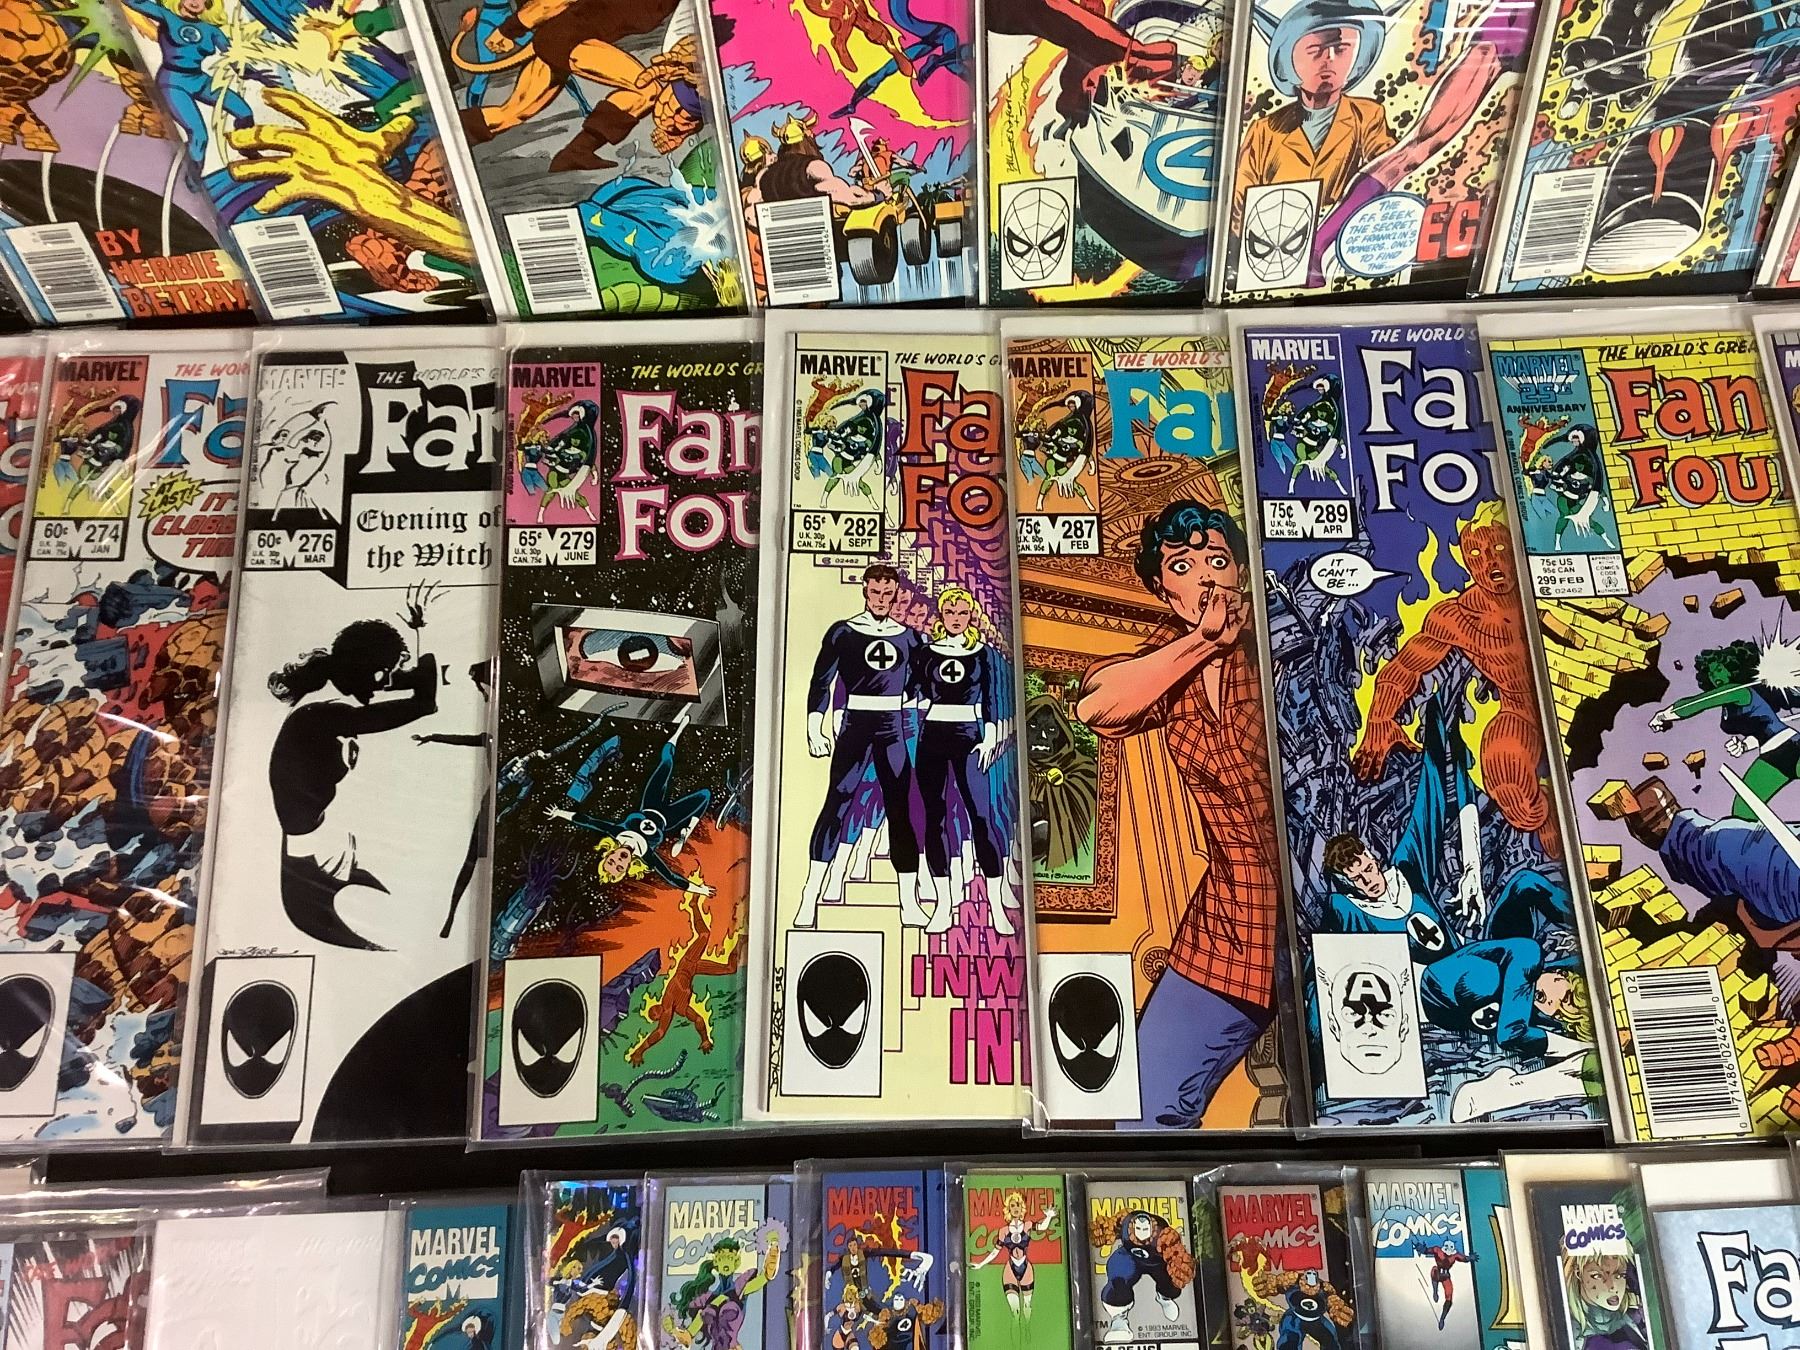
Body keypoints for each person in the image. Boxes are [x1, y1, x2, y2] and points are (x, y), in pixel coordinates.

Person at [1076, 500, 1280, 1128]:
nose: (1206, 579)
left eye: (1217, 560)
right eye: (1183, 567)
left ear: (1242, 570)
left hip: (1323, 908)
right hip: (1231, 922)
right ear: (1164, 590)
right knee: (1142, 1109)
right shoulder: (1174, 660)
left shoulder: (1283, 639)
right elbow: (1097, 705)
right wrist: (1201, 643)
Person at [266, 582, 443, 950]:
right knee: (406, 937)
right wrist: (420, 635)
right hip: (314, 866)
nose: (388, 683)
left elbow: (416, 685)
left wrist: (418, 631)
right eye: (384, 673)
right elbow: (423, 702)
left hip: (330, 851)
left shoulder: (333, 702)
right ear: (364, 668)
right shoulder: (322, 716)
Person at [795, 564, 927, 929]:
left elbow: (921, 684)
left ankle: (909, 902)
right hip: (855, 725)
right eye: (875, 592)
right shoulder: (844, 632)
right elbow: (821, 681)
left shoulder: (911, 638)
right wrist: (814, 727)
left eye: (888, 594)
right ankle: (810, 895)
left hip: (892, 727)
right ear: (865, 591)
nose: (881, 599)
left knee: (899, 810)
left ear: (896, 595)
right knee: (836, 803)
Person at [910, 588, 1012, 934]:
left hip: (970, 737)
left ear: (971, 616)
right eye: (950, 612)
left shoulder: (983, 654)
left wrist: (991, 737)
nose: (956, 618)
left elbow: (994, 699)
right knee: (935, 818)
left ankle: (996, 906)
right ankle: (943, 904)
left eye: (962, 612)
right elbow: (913, 691)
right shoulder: (926, 653)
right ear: (942, 615)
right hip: (933, 736)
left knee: (981, 817)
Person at [117, 0, 255, 165]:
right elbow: (136, 3)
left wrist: (254, 74)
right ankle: (193, 174)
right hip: (173, 81)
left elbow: (233, 57)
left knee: (245, 112)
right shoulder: (168, 17)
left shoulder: (211, 30)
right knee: (199, 135)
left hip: (199, 79)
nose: (196, 2)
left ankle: (246, 147)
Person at [971, 1191, 1057, 1326]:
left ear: (1022, 1208)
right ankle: (1015, 1336)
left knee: (1027, 1307)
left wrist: (1049, 1217)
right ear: (1008, 1209)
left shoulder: (1027, 1226)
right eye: (1012, 1206)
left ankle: (1027, 1332)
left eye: (1018, 1205)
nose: (1015, 1208)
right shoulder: (1003, 1231)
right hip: (1010, 1269)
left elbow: (1042, 1227)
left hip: (1026, 1268)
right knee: (1015, 1312)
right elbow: (995, 1251)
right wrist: (981, 1264)